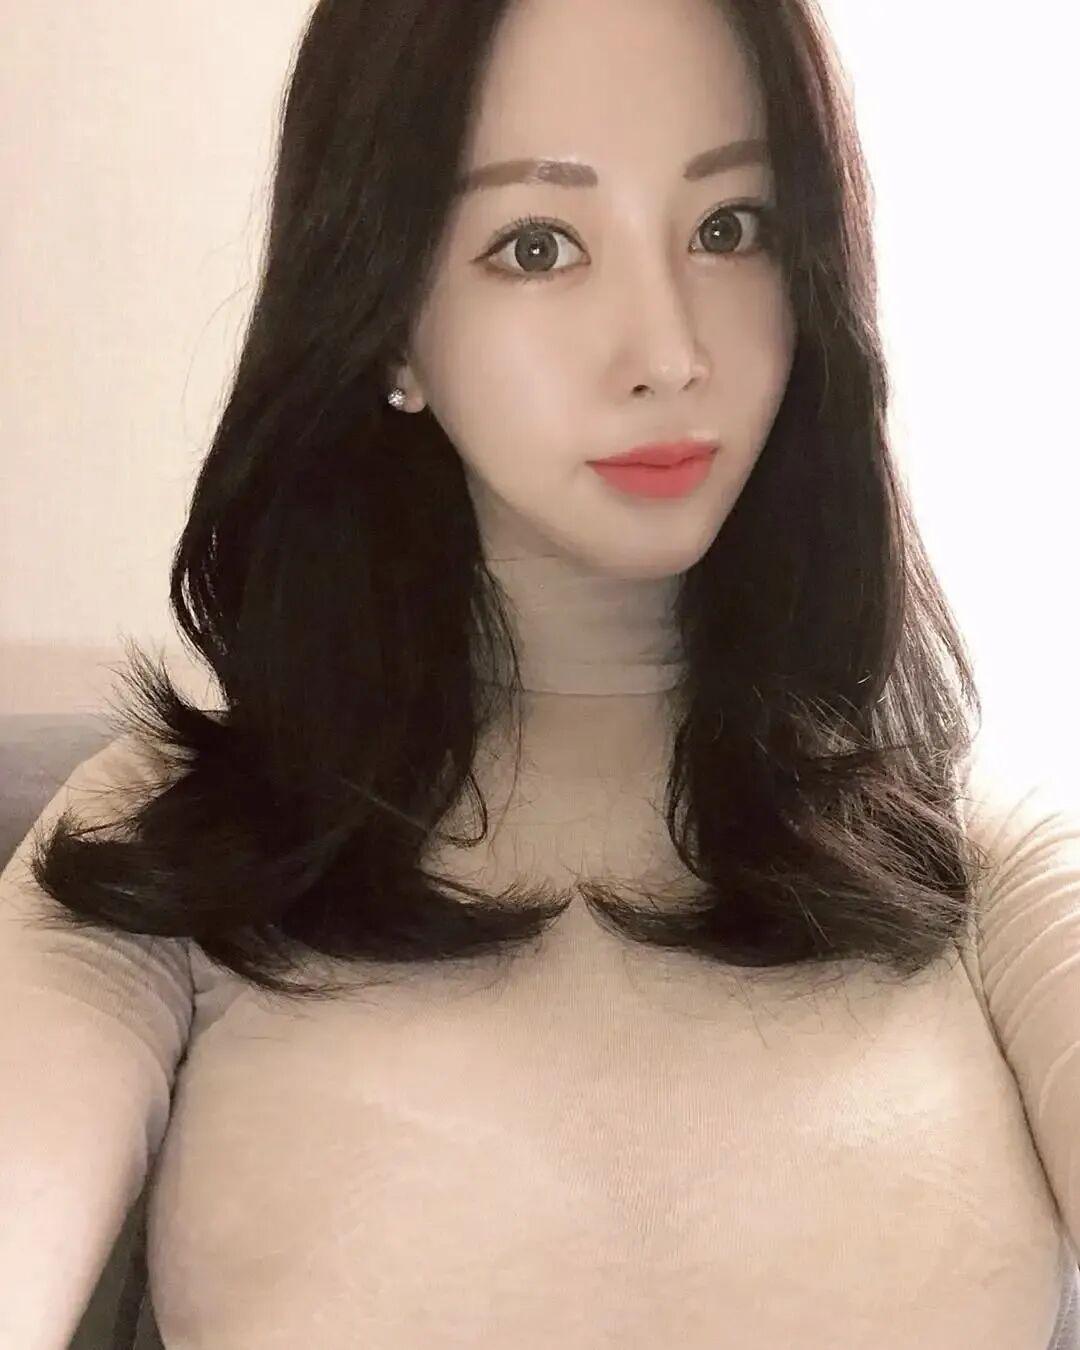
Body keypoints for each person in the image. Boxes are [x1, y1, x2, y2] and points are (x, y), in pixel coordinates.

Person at [2, 0, 1078, 1345]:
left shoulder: (980, 850)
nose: (670, 353)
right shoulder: (171, 843)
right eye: (538, 245)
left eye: (729, 227)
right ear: (389, 322)